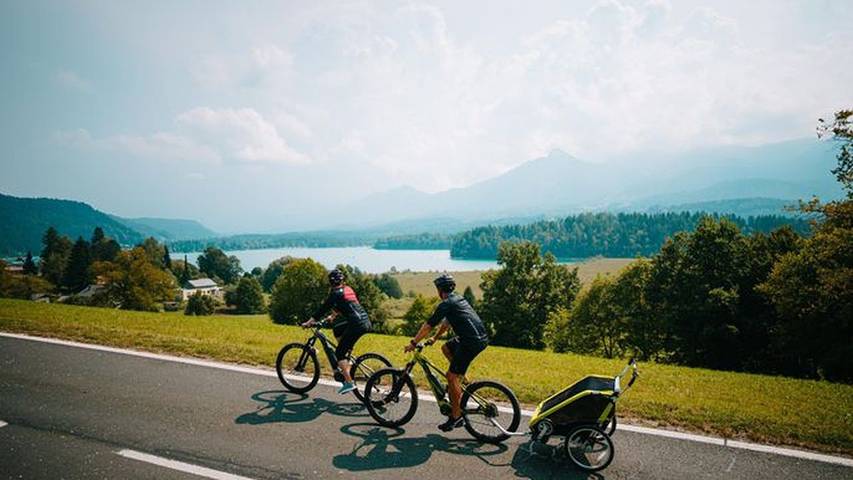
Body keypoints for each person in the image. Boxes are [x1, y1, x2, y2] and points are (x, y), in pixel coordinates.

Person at [405, 273, 489, 432]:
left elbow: (428, 325)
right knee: (446, 348)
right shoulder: (457, 299)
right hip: (478, 338)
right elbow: (447, 322)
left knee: (450, 376)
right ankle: (460, 378)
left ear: (439, 289)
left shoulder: (445, 304)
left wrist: (413, 343)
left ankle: (456, 418)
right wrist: (435, 339)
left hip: (470, 342)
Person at [302, 268, 372, 395]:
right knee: (338, 329)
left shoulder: (334, 294)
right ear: (342, 280)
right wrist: (332, 317)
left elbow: (323, 309)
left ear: (330, 282)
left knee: (339, 353)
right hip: (365, 321)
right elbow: (346, 305)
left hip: (356, 324)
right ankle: (347, 357)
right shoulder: (348, 289)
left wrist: (309, 322)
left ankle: (349, 382)